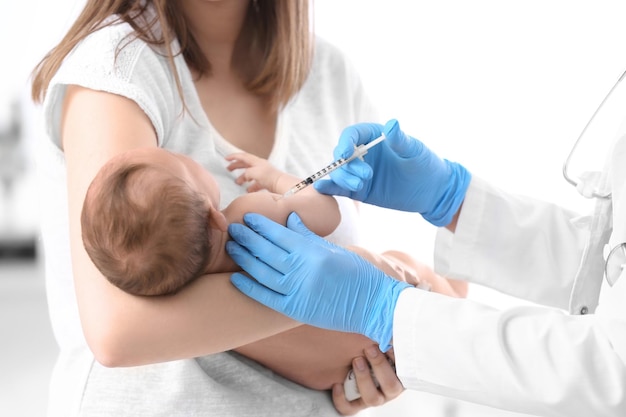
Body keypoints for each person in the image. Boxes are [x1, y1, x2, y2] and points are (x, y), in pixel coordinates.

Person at [29, 1, 414, 415]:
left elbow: (404, 305)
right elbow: (120, 329)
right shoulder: (117, 67)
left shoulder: (330, 75)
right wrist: (353, 301)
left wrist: (378, 364)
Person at [226, 118, 626, 416]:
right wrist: (456, 202)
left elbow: (613, 369)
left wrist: (390, 312)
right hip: (390, 342)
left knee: (413, 275)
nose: (216, 202)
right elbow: (613, 267)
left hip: (413, 320)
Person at [80, 146, 462, 298]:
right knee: (408, 265)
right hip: (365, 261)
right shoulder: (249, 215)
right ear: (213, 215)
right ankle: (455, 287)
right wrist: (277, 180)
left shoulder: (210, 282)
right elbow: (323, 208)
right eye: (183, 163)